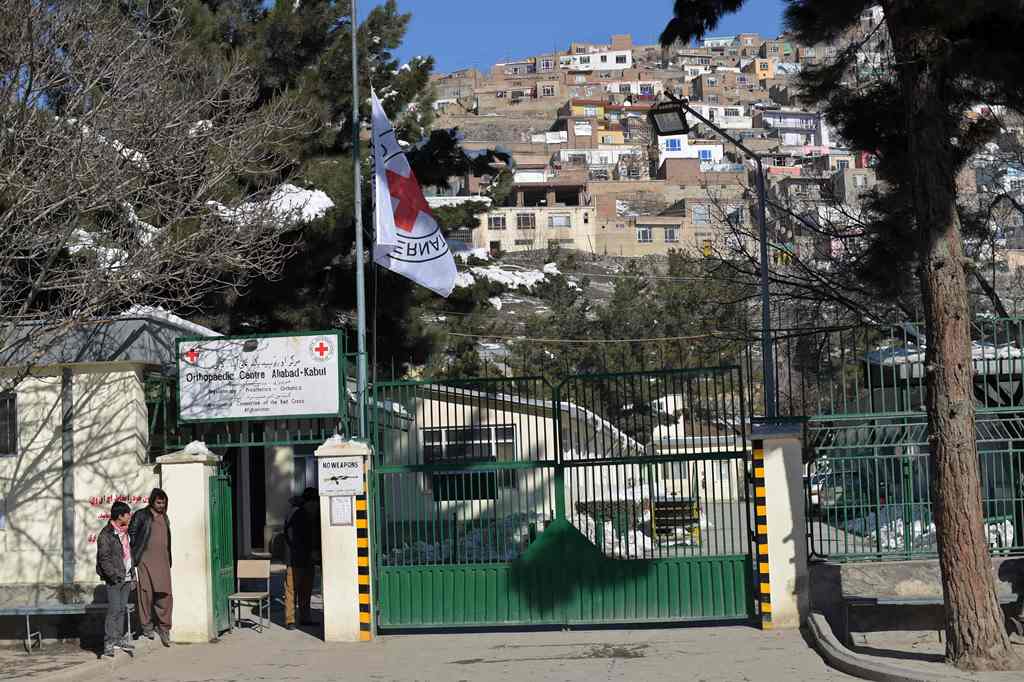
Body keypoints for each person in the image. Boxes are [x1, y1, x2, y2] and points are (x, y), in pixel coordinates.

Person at [128, 488, 173, 646]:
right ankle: (146, 626)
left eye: (163, 503)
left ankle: (164, 627)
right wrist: (135, 558)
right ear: (152, 501)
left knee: (165, 595)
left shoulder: (165, 517)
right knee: (145, 594)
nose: (161, 505)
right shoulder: (141, 515)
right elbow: (131, 535)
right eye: (158, 502)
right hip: (145, 561)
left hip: (162, 561)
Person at [96, 501, 135, 658]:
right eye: (127, 514)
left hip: (126, 577)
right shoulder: (106, 535)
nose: (130, 516)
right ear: (120, 516)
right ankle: (109, 643)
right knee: (113, 610)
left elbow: (129, 555)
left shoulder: (125, 532)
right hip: (115, 579)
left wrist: (132, 575)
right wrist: (114, 576)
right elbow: (104, 559)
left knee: (121, 609)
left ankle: (118, 639)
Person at [283, 487, 319, 629]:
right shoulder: (296, 514)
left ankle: (305, 617)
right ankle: (290, 620)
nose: (316, 507)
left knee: (306, 590)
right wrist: (308, 551)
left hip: (307, 559)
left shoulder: (310, 515)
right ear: (309, 502)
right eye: (315, 503)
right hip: (294, 559)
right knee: (292, 590)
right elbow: (291, 538)